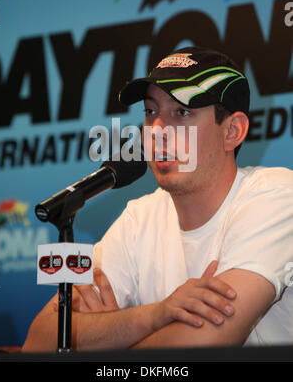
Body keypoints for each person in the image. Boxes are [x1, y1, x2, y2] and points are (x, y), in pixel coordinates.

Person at [22, 46, 293, 352]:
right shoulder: (138, 219)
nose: (158, 131)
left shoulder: (277, 195)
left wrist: (112, 337)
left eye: (182, 112)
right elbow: (39, 340)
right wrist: (155, 315)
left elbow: (208, 341)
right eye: (151, 112)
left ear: (232, 131)